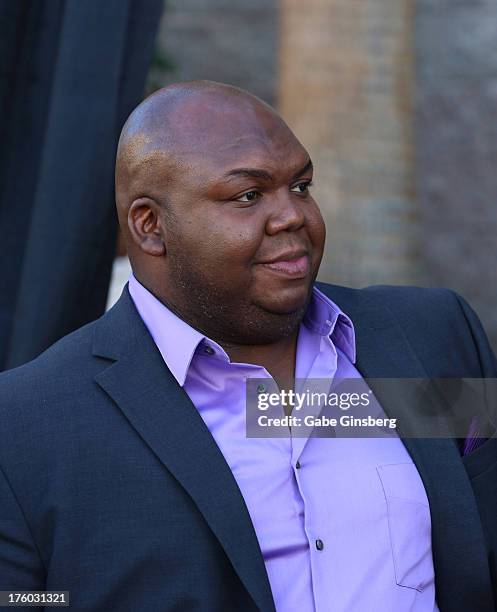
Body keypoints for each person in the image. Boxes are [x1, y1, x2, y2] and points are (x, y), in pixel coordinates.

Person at [0, 80, 496, 612]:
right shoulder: (29, 425)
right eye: (248, 195)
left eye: (301, 186)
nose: (293, 217)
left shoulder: (428, 338)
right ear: (150, 226)